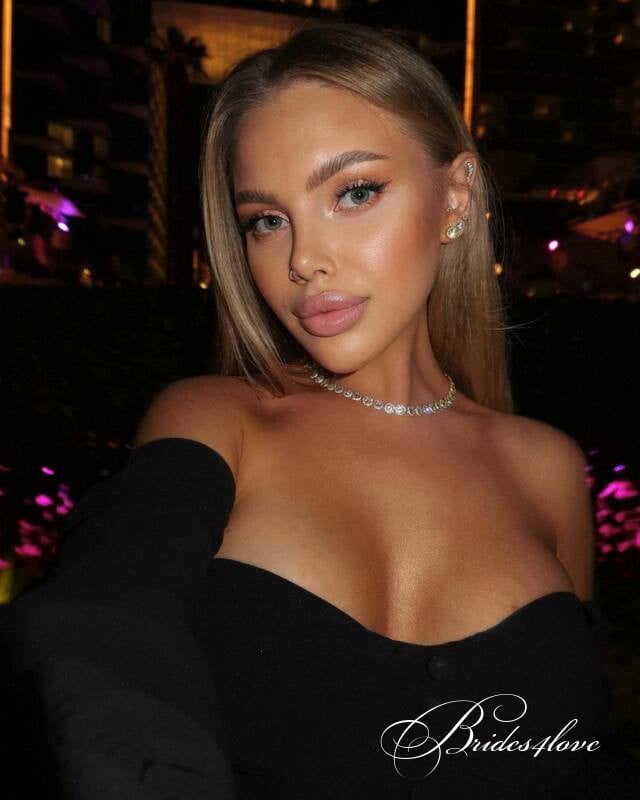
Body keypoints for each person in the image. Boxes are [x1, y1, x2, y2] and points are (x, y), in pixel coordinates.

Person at [0, 19, 638, 800]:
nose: (303, 260)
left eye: (354, 193)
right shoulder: (217, 422)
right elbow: (107, 615)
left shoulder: (546, 468)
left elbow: (585, 758)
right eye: (266, 221)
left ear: (455, 197)